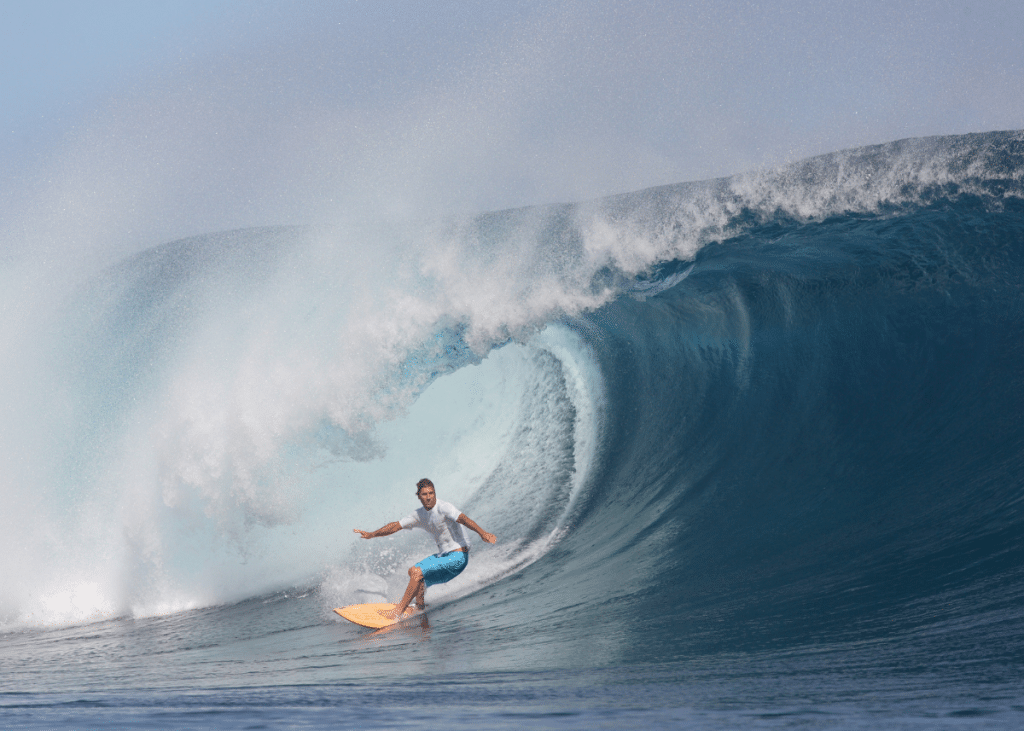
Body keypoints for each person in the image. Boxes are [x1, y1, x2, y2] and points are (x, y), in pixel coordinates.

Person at [354, 478, 497, 618]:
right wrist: (372, 534)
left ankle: (397, 612)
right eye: (424, 494)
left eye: (431, 493)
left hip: (458, 557)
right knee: (413, 573)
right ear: (418, 496)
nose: (429, 497)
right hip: (444, 557)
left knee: (417, 572)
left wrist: (483, 533)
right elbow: (395, 526)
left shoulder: (444, 507)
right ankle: (420, 606)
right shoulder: (419, 515)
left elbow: (463, 518)